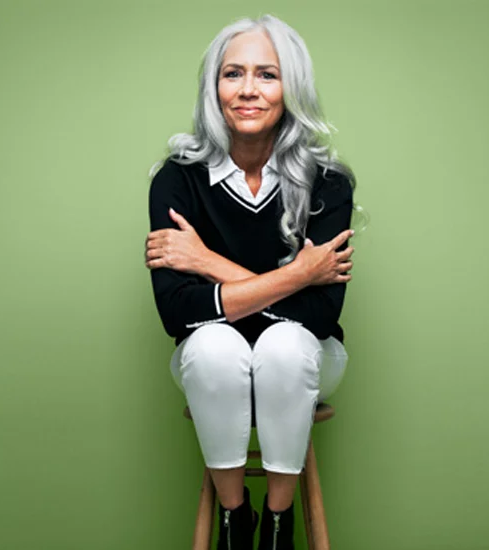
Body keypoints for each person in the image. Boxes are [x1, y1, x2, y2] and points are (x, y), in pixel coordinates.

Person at [145, 14, 358, 550]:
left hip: (309, 358)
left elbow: (320, 316)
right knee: (214, 343)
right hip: (211, 362)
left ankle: (279, 524)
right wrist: (299, 276)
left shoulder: (329, 182)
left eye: (267, 74)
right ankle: (236, 520)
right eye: (232, 73)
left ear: (292, 87)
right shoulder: (177, 178)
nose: (247, 90)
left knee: (285, 344)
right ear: (213, 87)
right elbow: (177, 314)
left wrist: (209, 263)